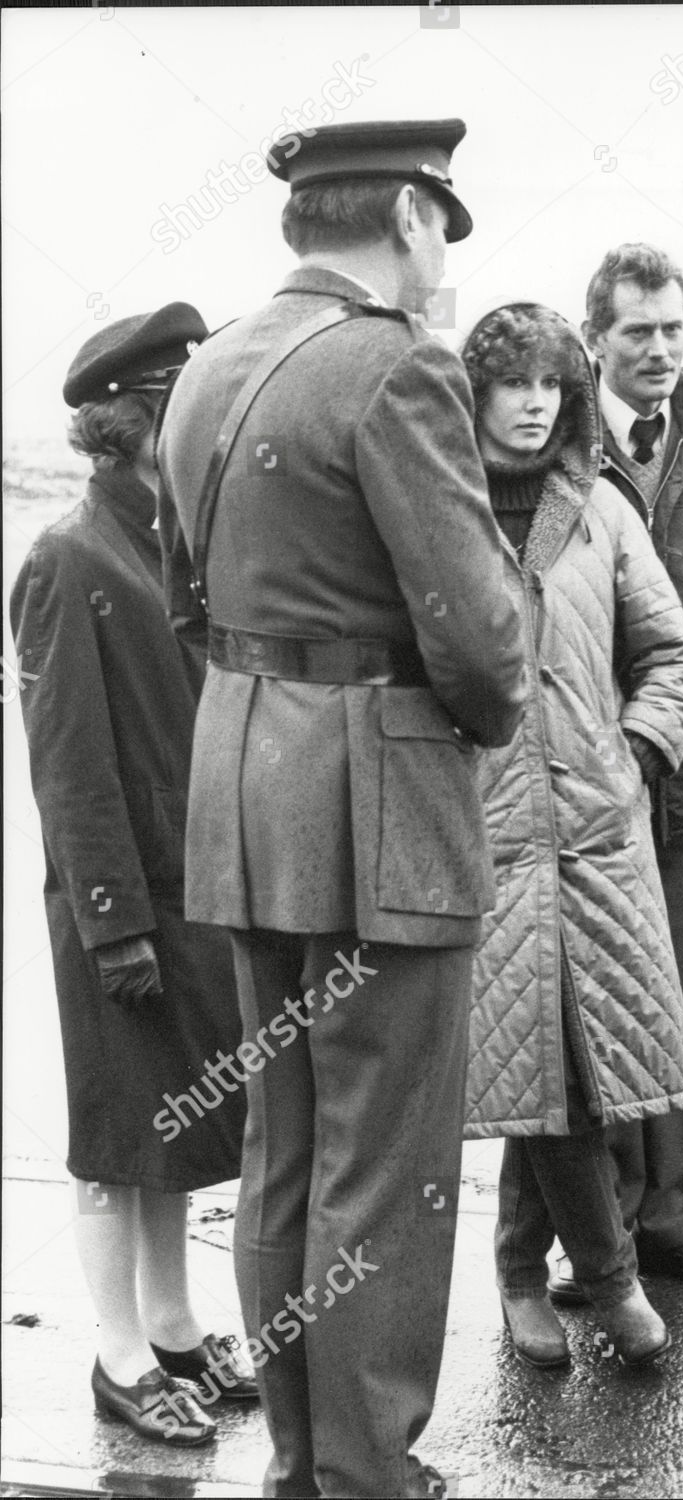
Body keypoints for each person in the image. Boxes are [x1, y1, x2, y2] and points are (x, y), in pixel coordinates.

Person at [156, 121, 526, 1499]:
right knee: (389, 1157)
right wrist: (481, 714)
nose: (441, 262)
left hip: (244, 785)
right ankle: (370, 1475)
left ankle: (308, 1457)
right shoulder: (398, 366)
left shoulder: (209, 365)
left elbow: (188, 596)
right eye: (444, 230)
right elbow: (483, 640)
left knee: (286, 1146)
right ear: (417, 218)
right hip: (379, 807)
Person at [9, 306, 254, 1449]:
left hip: (187, 885)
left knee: (178, 1125)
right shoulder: (67, 556)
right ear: (137, 423)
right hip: (120, 901)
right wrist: (112, 925)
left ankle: (173, 1326)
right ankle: (116, 1358)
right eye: (181, 409)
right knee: (117, 1136)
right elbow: (67, 765)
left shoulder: (175, 543)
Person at [459, 301, 683, 1369]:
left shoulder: (602, 509)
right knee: (542, 1068)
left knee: (565, 1066)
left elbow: (676, 658)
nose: (532, 405)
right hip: (489, 842)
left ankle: (527, 1273)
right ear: (473, 395)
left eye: (551, 385)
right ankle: (604, 1282)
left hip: (600, 839)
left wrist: (635, 756)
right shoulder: (438, 509)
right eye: (512, 384)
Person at [544, 243, 683, 1306]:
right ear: (597, 341)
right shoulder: (556, 438)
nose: (662, 350)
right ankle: (598, 1239)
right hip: (582, 761)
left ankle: (675, 1219)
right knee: (582, 998)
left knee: (674, 983)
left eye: (675, 329)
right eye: (638, 332)